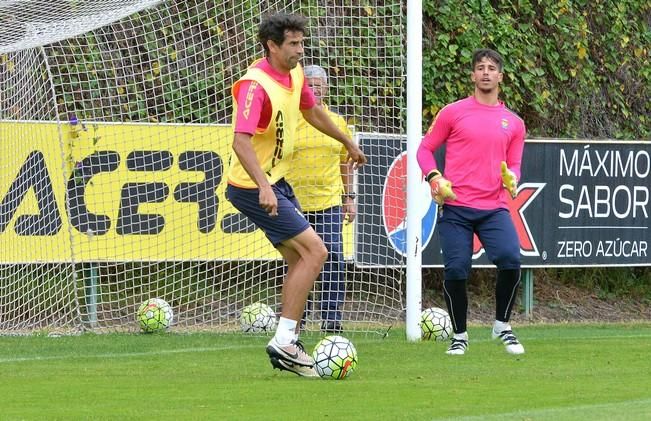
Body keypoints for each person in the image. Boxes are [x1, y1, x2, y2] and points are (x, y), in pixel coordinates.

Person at [226, 13, 366, 376]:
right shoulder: (255, 86)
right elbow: (240, 142)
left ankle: (287, 339)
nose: (299, 50)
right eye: (292, 44)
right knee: (317, 250)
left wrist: (346, 141)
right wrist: (263, 186)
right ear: (272, 46)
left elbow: (313, 111)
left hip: (277, 181)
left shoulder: (297, 73)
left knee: (300, 259)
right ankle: (285, 340)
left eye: (302, 43)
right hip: (250, 186)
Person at [417, 48, 526, 356]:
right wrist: (435, 177)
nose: (486, 72)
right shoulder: (453, 112)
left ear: (501, 76)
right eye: (480, 67)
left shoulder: (514, 123)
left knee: (511, 260)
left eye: (492, 68)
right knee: (456, 270)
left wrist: (513, 178)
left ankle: (502, 326)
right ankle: (460, 335)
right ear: (473, 75)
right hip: (456, 209)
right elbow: (424, 151)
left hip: (494, 208)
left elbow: (515, 163)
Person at [286, 65, 355, 334]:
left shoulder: (335, 122)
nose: (314, 89)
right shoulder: (291, 119)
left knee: (334, 257)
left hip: (329, 202)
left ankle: (331, 319)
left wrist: (349, 198)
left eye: (319, 85)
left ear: (326, 89)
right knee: (298, 261)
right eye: (309, 85)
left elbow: (345, 162)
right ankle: (295, 319)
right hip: (294, 203)